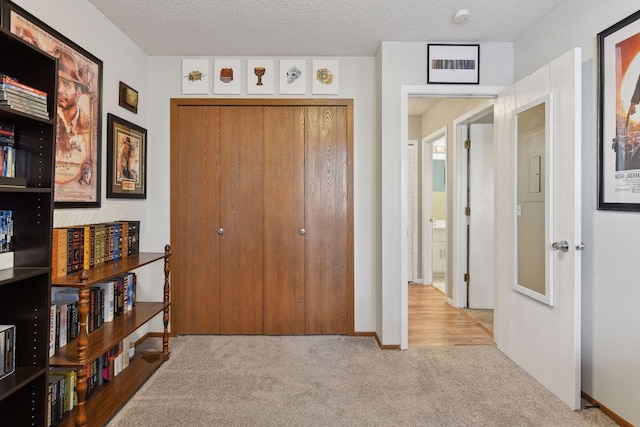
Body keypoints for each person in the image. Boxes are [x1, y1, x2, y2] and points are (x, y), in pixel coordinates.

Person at [53, 48, 90, 159]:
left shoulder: (87, 125)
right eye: (57, 83)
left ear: (78, 92)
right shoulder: (51, 117)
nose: (59, 89)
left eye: (66, 84)